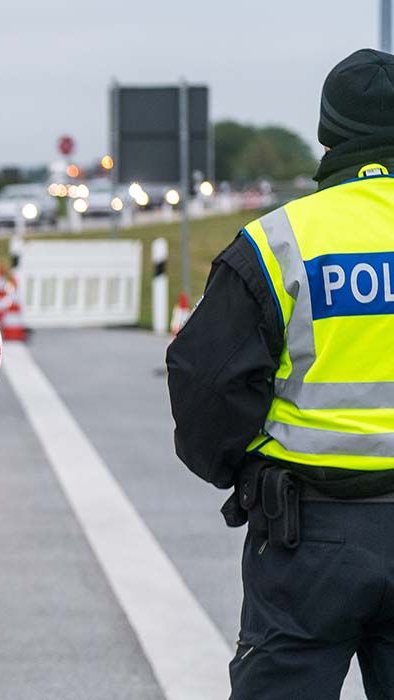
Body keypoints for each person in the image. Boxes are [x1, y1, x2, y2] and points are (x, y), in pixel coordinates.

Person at [169, 48, 394, 699]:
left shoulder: (280, 241)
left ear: (328, 133)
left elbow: (206, 381)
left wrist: (238, 472)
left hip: (309, 535)